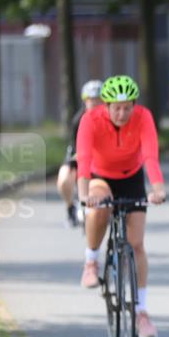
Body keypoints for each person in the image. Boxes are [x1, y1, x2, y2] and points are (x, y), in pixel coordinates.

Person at [77, 75, 166, 337]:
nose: (122, 114)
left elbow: (150, 155)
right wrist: (84, 195)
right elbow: (84, 159)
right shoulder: (90, 120)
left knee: (137, 244)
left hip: (131, 177)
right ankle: (91, 261)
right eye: (116, 108)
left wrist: (158, 188)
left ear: (134, 105)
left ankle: (141, 313)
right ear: (105, 106)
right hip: (100, 177)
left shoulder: (143, 117)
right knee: (99, 208)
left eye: (127, 108)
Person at [57, 80, 103, 227]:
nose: (95, 103)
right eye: (91, 100)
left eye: (99, 100)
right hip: (80, 155)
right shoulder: (79, 120)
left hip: (103, 159)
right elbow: (77, 148)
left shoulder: (110, 118)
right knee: (64, 178)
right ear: (85, 101)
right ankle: (70, 207)